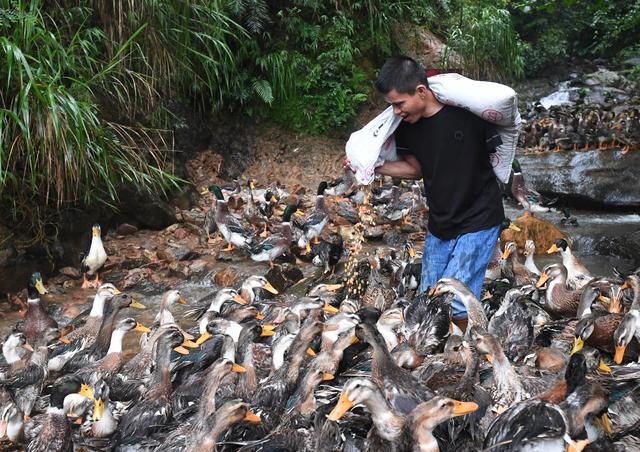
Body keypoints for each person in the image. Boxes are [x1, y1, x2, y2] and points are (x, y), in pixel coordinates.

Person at [361, 56, 505, 329]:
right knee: (428, 297)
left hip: (479, 217)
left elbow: (499, 148)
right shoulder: (407, 128)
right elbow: (415, 169)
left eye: (398, 103)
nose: (396, 112)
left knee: (458, 301)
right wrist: (375, 167)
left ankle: (474, 354)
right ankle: (434, 355)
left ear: (421, 91)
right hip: (440, 222)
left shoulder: (467, 115)